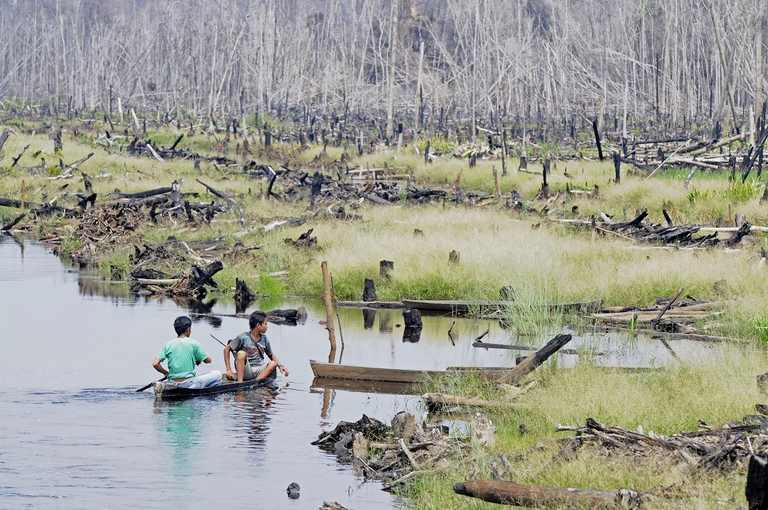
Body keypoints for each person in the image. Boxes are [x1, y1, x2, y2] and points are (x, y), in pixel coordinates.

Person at [152, 316, 222, 388]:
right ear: (188, 329)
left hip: (172, 382)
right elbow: (208, 360)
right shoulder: (194, 343)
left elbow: (155, 364)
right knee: (218, 374)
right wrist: (199, 359)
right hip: (189, 383)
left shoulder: (168, 345)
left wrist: (166, 373)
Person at [224, 311, 289, 383]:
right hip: (247, 370)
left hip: (260, 370)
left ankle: (256, 381)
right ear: (258, 325)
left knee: (273, 363)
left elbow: (271, 355)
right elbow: (226, 350)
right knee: (241, 353)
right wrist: (228, 369)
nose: (267, 327)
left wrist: (280, 366)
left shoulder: (265, 339)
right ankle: (240, 383)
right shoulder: (242, 337)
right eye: (265, 324)